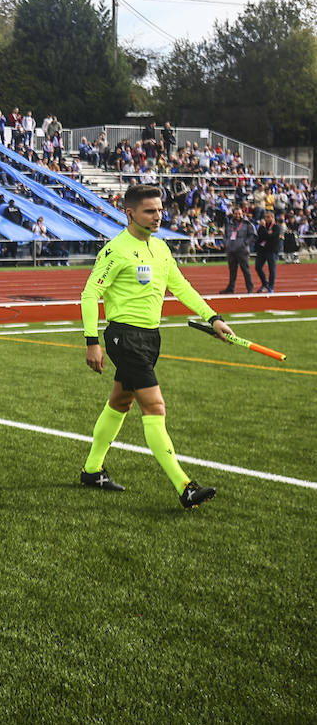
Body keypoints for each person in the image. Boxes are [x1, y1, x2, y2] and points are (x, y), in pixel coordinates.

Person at [79, 184, 230, 508]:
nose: (158, 215)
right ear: (130, 213)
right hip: (124, 337)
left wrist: (213, 317)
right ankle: (185, 486)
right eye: (150, 211)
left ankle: (92, 470)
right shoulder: (116, 250)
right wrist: (92, 342)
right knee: (155, 406)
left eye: (160, 210)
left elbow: (181, 287)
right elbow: (90, 294)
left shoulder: (161, 248)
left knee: (121, 401)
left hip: (150, 338)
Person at [219, 206, 256, 294]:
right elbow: (225, 235)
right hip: (231, 250)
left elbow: (253, 235)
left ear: (242, 214)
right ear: (233, 214)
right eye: (236, 214)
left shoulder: (247, 224)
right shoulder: (229, 224)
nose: (237, 215)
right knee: (232, 271)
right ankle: (231, 288)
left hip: (242, 251)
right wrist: (226, 243)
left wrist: (245, 243)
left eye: (239, 213)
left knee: (246, 270)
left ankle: (250, 289)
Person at [254, 211, 280, 293]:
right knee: (258, 267)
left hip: (271, 250)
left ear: (273, 218)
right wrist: (265, 232)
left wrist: (266, 234)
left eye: (268, 217)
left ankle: (271, 287)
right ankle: (265, 283)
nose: (266, 219)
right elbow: (259, 237)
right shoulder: (262, 227)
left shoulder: (276, 227)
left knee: (271, 269)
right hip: (262, 250)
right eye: (265, 217)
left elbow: (271, 237)